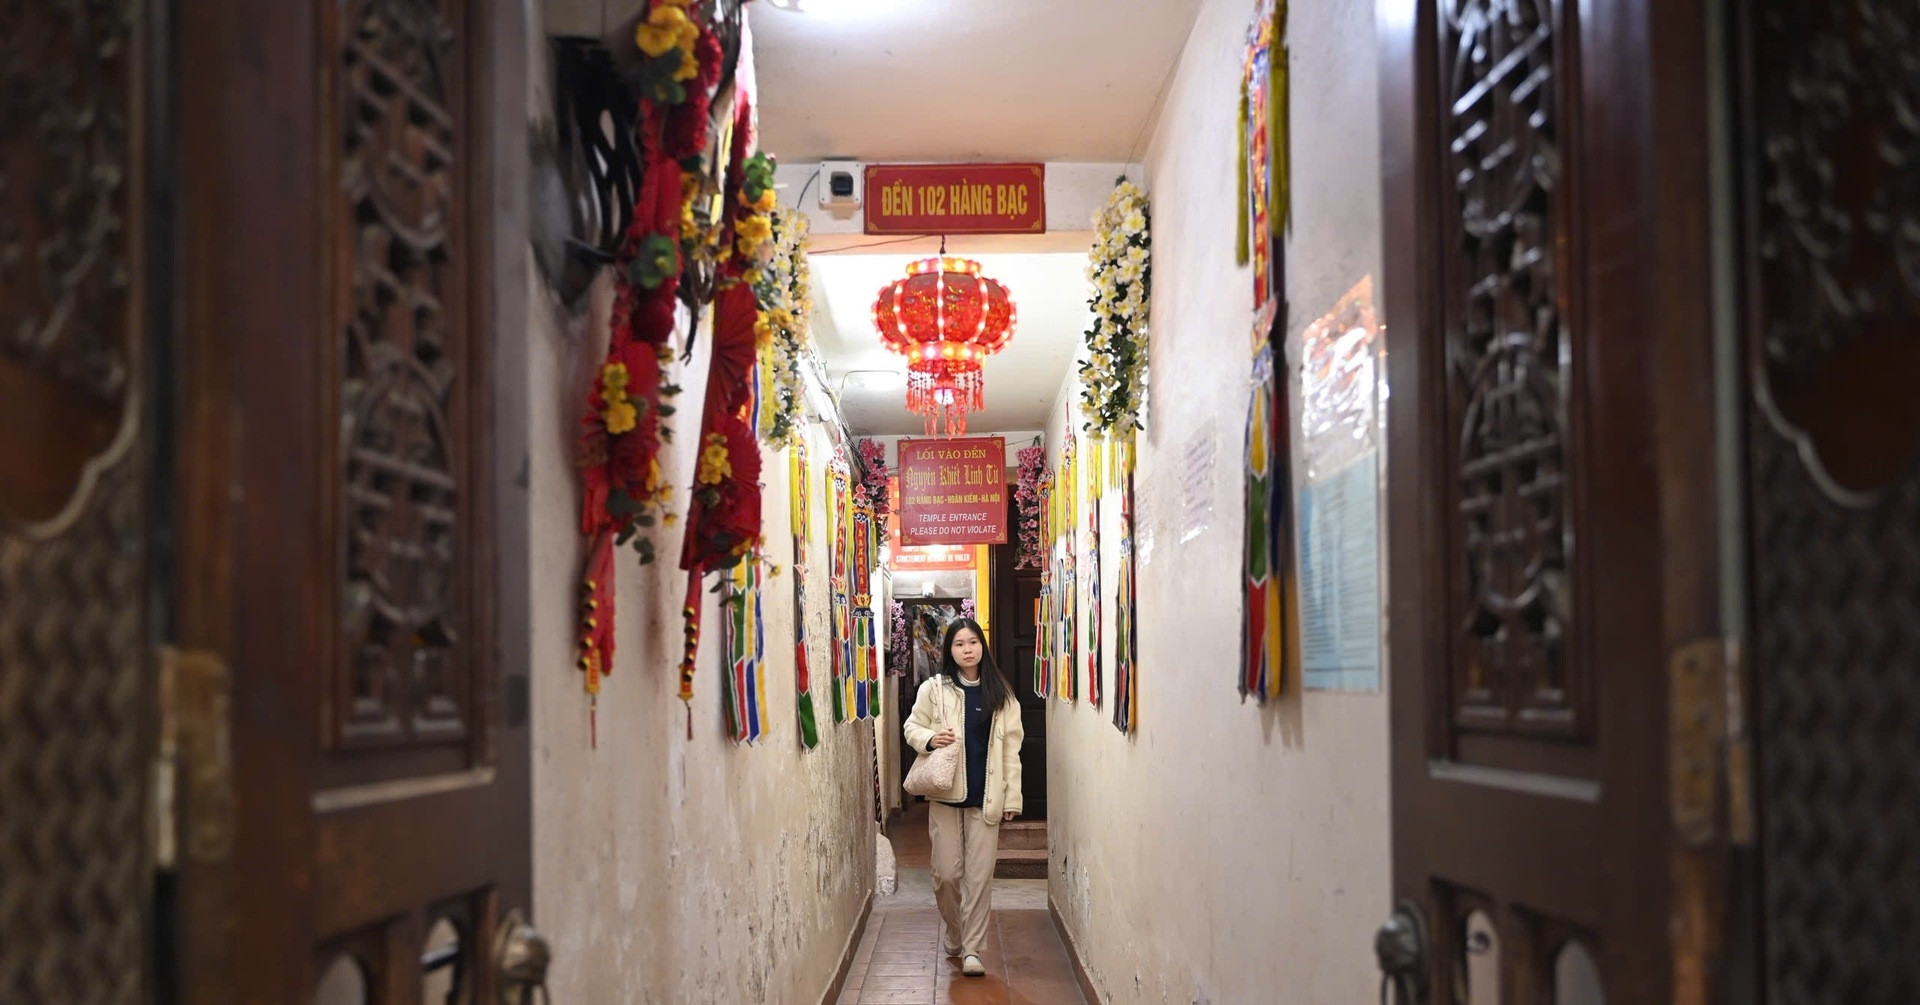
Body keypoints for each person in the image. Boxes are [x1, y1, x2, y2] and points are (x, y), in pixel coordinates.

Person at [901, 617, 1024, 978]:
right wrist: (929, 739)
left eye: (972, 642)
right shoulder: (934, 689)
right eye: (959, 644)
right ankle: (954, 932)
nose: (967, 649)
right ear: (949, 650)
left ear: (982, 646)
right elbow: (912, 726)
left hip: (987, 797)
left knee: (979, 877)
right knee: (946, 875)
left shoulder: (1001, 694)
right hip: (945, 795)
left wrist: (1012, 798)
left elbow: (1011, 751)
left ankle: (972, 948)